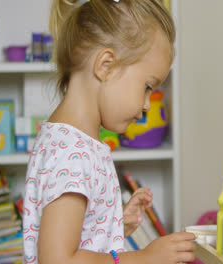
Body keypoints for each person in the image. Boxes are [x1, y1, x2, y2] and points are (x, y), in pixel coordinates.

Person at [23, 0, 196, 263]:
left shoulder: (74, 142)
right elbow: (58, 260)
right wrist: (144, 258)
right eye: (148, 86)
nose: (148, 104)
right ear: (105, 66)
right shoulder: (71, 154)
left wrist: (112, 225)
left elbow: (78, 240)